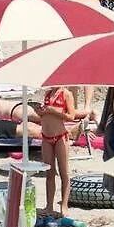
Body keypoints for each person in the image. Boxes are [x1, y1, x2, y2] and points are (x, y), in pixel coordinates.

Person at [40, 83, 86, 220]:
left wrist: (52, 111)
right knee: (49, 173)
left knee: (64, 172)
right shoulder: (48, 93)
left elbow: (71, 116)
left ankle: (64, 205)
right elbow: (44, 115)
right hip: (46, 136)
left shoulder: (66, 94)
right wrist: (42, 111)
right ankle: (49, 206)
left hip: (60, 136)